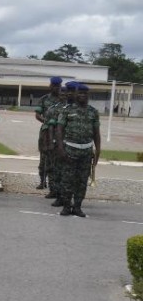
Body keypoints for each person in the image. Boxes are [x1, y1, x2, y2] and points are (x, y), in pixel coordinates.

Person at [55, 82, 101, 217]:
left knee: (82, 181)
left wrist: (98, 150)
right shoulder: (67, 110)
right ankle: (66, 206)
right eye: (80, 93)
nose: (82, 96)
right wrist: (60, 148)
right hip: (70, 150)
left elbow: (96, 133)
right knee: (67, 180)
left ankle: (77, 207)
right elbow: (59, 130)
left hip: (86, 152)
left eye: (84, 94)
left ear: (88, 96)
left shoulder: (93, 112)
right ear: (76, 95)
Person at [46, 82, 76, 203]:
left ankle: (70, 197)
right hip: (59, 144)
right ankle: (59, 196)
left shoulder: (78, 108)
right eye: (62, 93)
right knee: (58, 171)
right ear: (59, 95)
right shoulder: (53, 109)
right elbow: (50, 127)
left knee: (72, 173)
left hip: (73, 145)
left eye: (67, 93)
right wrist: (51, 142)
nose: (64, 95)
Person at [35, 77, 63, 191]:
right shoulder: (44, 99)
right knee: (44, 157)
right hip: (46, 132)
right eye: (54, 86)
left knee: (58, 157)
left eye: (58, 86)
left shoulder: (64, 100)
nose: (56, 88)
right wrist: (46, 122)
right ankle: (42, 181)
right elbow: (37, 115)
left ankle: (56, 183)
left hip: (61, 132)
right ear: (50, 86)